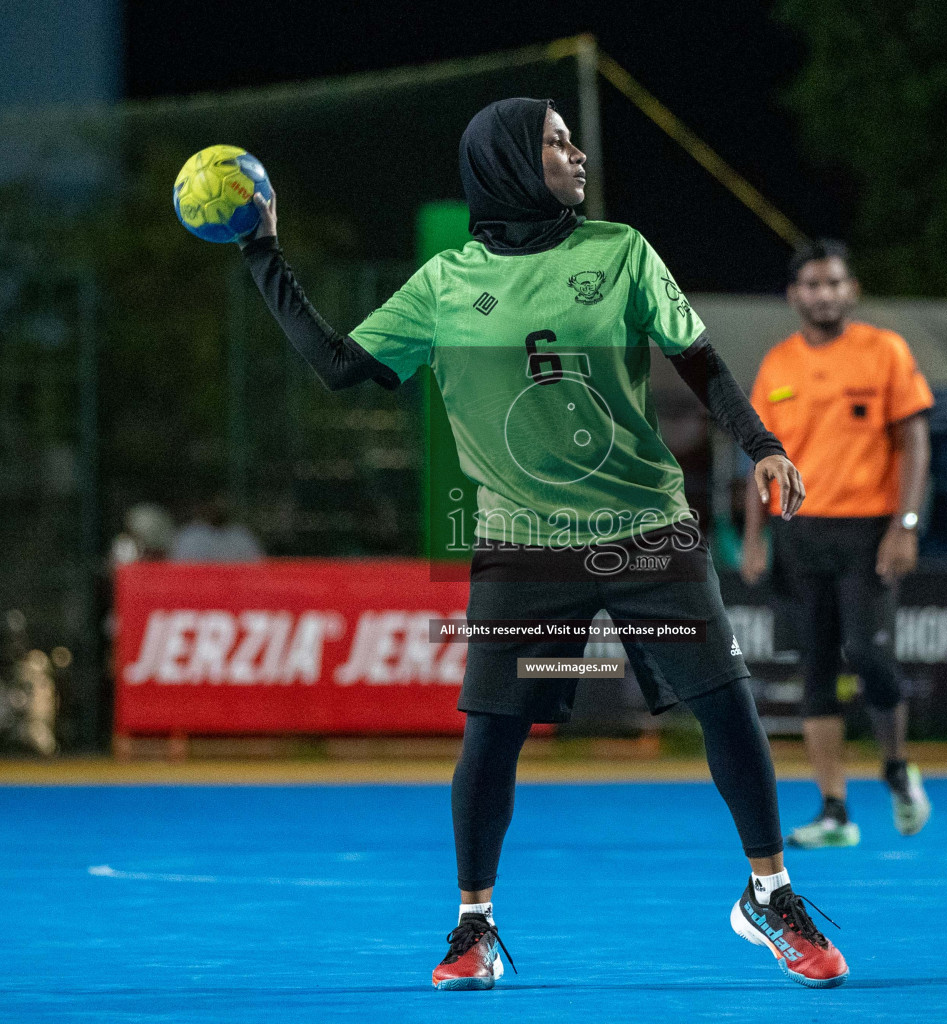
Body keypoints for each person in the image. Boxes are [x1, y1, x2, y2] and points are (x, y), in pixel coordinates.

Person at [239, 98, 848, 990]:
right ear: (511, 163)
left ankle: (770, 894)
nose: (575, 154)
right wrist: (263, 254)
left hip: (647, 526)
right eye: (556, 142)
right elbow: (340, 367)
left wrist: (762, 444)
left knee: (727, 703)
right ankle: (473, 927)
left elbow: (699, 361)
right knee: (491, 735)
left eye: (571, 139)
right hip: (523, 543)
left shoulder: (620, 251)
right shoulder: (445, 282)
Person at [741, 239, 934, 849]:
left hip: (867, 530)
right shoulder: (777, 364)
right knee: (815, 670)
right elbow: (760, 457)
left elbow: (915, 442)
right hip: (797, 533)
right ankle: (834, 811)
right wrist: (752, 536)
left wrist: (905, 525)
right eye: (811, 285)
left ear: (851, 290)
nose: (823, 294)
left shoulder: (884, 351)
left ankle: (897, 767)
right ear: (794, 294)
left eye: (833, 283)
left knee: (871, 657)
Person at [169, 493, 264, 562]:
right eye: (212, 503)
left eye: (220, 503)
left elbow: (256, 569)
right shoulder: (189, 536)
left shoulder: (241, 536)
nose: (216, 508)